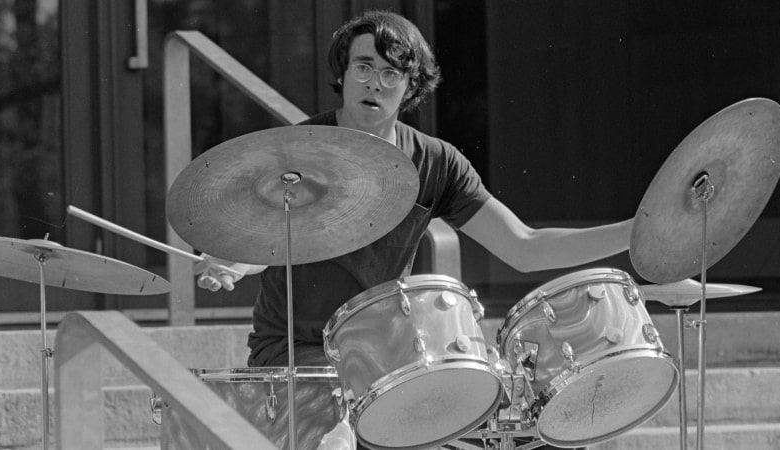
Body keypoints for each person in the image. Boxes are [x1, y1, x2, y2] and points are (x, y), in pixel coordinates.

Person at [195, 10, 630, 448]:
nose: (374, 83)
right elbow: (260, 241)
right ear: (343, 74)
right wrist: (234, 261)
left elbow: (524, 247)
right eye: (363, 67)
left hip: (392, 353)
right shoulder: (297, 154)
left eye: (390, 73)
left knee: (516, 419)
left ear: (410, 86)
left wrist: (637, 233)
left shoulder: (436, 162)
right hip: (299, 352)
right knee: (339, 440)